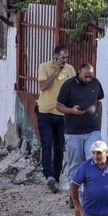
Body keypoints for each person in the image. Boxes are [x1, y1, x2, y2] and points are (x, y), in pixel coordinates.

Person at [36, 45, 76, 192]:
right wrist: (55, 73)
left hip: (62, 113)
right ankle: (48, 175)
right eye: (62, 58)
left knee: (59, 147)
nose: (65, 61)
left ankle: (56, 178)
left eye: (66, 58)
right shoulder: (44, 67)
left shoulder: (70, 70)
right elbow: (43, 87)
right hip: (46, 111)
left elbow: (73, 88)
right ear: (55, 57)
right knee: (47, 144)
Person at [57, 63, 104, 181]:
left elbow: (99, 103)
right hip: (73, 132)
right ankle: (73, 196)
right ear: (79, 73)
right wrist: (71, 111)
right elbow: (58, 106)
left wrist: (99, 125)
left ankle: (90, 194)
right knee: (75, 165)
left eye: (91, 76)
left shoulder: (96, 83)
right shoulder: (68, 85)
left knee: (95, 162)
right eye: (86, 76)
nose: (88, 79)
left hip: (92, 131)